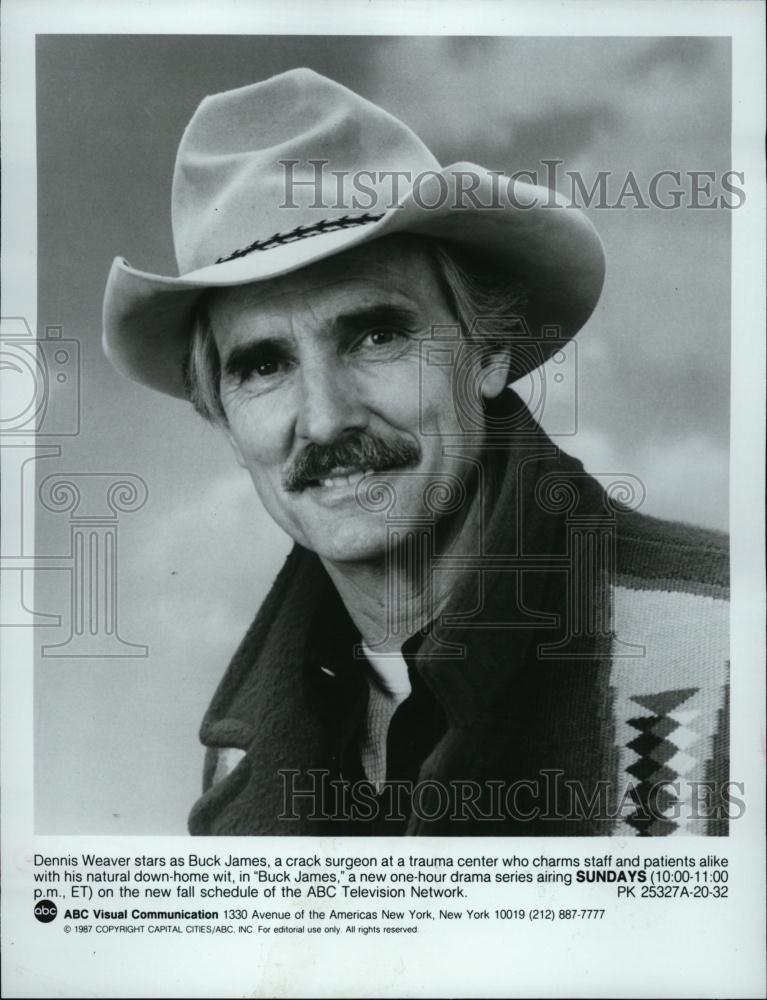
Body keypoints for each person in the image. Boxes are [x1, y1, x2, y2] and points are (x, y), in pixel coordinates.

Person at [103, 68, 730, 836]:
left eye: (375, 334)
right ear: (225, 421)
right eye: (263, 365)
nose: (325, 421)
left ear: (490, 351)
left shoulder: (725, 649)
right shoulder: (238, 762)